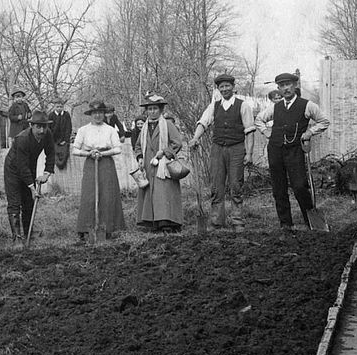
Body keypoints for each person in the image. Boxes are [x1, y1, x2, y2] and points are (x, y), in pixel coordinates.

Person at [254, 73, 330, 231]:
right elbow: (259, 120)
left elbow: (324, 121)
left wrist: (310, 132)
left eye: (288, 84)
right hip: (275, 150)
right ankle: (286, 224)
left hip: (295, 150)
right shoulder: (275, 106)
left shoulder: (307, 105)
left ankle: (311, 222)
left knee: (300, 186)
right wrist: (266, 132)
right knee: (278, 188)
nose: (285, 88)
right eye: (282, 86)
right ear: (279, 89)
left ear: (295, 85)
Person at [189, 74, 256, 232]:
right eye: (221, 87)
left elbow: (250, 131)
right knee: (217, 186)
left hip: (236, 148)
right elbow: (203, 122)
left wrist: (249, 153)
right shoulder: (215, 106)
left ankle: (237, 220)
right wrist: (195, 138)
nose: (225, 89)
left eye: (227, 86)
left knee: (235, 184)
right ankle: (216, 221)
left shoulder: (243, 105)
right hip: (217, 149)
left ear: (233, 87)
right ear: (218, 89)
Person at [71, 101, 125, 242]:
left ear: (104, 114)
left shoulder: (110, 130)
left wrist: (104, 153)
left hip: (106, 163)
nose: (98, 116)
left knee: (107, 194)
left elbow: (118, 148)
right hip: (90, 162)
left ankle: (108, 228)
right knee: (89, 195)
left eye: (100, 113)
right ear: (91, 114)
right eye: (95, 113)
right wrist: (88, 153)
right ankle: (85, 228)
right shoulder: (83, 130)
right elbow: (75, 150)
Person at [133, 95, 185, 232]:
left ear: (161, 110)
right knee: (150, 193)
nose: (152, 112)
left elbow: (177, 143)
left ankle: (167, 221)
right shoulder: (144, 128)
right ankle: (151, 221)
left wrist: (164, 152)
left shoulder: (167, 124)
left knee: (164, 193)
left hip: (164, 165)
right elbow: (138, 146)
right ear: (146, 111)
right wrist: (139, 158)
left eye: (155, 108)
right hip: (148, 165)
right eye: (149, 109)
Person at [3, 111, 55, 242]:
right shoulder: (22, 138)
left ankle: (29, 232)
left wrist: (46, 173)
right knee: (15, 203)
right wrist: (32, 188)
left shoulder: (47, 134)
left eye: (44, 126)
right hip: (13, 169)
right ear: (32, 125)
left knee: (28, 202)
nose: (42, 130)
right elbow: (21, 167)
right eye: (38, 126)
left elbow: (51, 154)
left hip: (29, 167)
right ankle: (17, 238)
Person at [48, 98, 72, 170]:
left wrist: (65, 139)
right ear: (54, 107)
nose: (59, 108)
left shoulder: (66, 115)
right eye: (57, 107)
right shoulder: (51, 115)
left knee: (64, 154)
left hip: (64, 140)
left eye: (61, 107)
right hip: (54, 140)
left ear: (63, 107)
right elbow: (49, 129)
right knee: (54, 154)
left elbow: (68, 128)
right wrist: (52, 140)